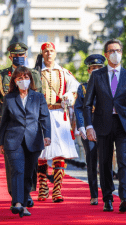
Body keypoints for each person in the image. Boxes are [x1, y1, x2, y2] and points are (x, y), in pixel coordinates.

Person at [84, 39, 126, 213]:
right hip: (102, 124)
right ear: (106, 55)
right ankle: (107, 198)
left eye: (118, 50)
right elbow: (87, 104)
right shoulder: (97, 75)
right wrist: (89, 126)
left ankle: (125, 197)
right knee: (105, 162)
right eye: (112, 50)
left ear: (121, 52)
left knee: (123, 160)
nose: (116, 53)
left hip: (124, 125)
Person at [0, 42, 42, 208]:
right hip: (10, 127)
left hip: (31, 127)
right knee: (13, 164)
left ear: (26, 56)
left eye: (21, 55)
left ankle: (27, 193)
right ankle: (16, 195)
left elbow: (38, 100)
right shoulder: (1, 76)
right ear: (10, 57)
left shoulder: (33, 74)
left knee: (30, 165)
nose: (19, 58)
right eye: (15, 55)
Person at [0, 66, 51, 217]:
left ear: (30, 79)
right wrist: (1, 142)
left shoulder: (38, 97)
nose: (23, 81)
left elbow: (45, 117)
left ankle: (24, 201)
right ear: (15, 81)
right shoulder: (9, 98)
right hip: (12, 140)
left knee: (28, 173)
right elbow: (4, 122)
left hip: (33, 140)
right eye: (20, 78)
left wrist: (47, 135)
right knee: (17, 170)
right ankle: (17, 203)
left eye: (26, 77)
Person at [37, 42, 80, 203]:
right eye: (46, 51)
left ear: (55, 53)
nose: (49, 54)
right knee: (40, 152)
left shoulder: (63, 72)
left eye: (51, 51)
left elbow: (74, 88)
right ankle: (42, 187)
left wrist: (68, 96)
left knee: (59, 152)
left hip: (58, 114)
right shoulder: (36, 72)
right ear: (42, 54)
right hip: (40, 115)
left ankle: (57, 189)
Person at [74, 54, 105, 205]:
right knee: (92, 161)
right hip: (89, 127)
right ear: (88, 70)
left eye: (99, 68)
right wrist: (82, 127)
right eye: (93, 68)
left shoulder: (109, 86)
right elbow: (78, 108)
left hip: (105, 127)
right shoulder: (83, 88)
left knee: (105, 161)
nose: (96, 71)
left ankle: (107, 193)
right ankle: (94, 194)